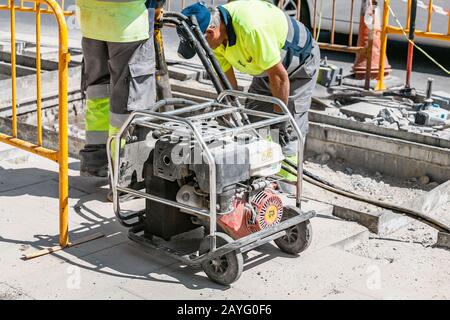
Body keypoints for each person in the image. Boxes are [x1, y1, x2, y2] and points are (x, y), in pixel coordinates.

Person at [177, 0, 320, 181]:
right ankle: (260, 181)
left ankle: (287, 189)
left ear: (211, 33)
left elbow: (280, 77)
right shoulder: (216, 39)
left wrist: (279, 120)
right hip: (264, 67)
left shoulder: (250, 29)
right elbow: (228, 87)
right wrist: (225, 120)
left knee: (287, 130)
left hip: (298, 66)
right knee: (251, 125)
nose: (201, 51)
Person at [75, 0, 157, 177]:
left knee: (98, 92)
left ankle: (96, 162)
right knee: (130, 101)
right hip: (128, 23)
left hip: (91, 21)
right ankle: (126, 176)